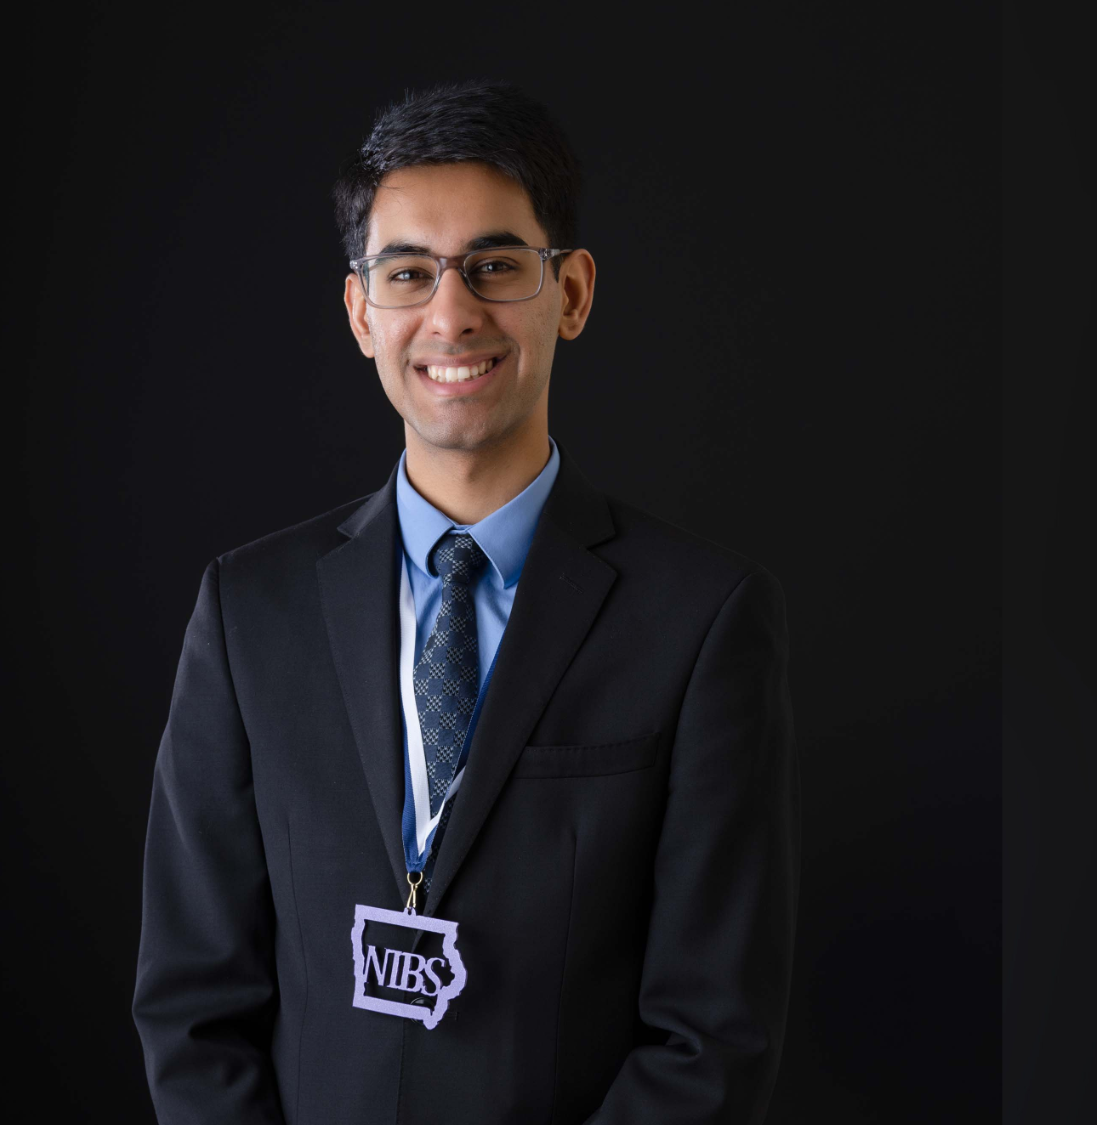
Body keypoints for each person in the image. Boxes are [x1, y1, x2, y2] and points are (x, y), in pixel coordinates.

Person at [132, 81, 798, 1124]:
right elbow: (190, 1000)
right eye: (408, 273)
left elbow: (710, 1032)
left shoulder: (701, 622)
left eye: (494, 265)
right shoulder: (245, 611)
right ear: (360, 313)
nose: (450, 313)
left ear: (569, 293)